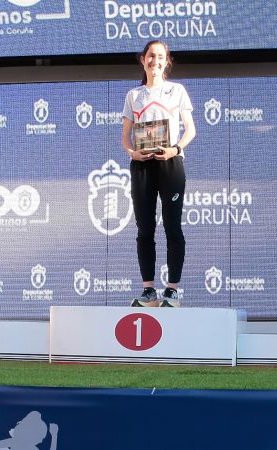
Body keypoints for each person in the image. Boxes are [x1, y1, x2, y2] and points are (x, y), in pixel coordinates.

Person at [122, 40, 196, 308]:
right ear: (143, 60)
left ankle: (172, 290)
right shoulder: (133, 95)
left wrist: (175, 149)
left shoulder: (177, 91)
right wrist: (133, 153)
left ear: (167, 61)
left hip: (170, 163)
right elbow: (126, 137)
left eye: (160, 56)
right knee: (144, 229)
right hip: (142, 165)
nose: (155, 61)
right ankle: (149, 290)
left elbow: (190, 130)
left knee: (172, 226)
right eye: (151, 56)